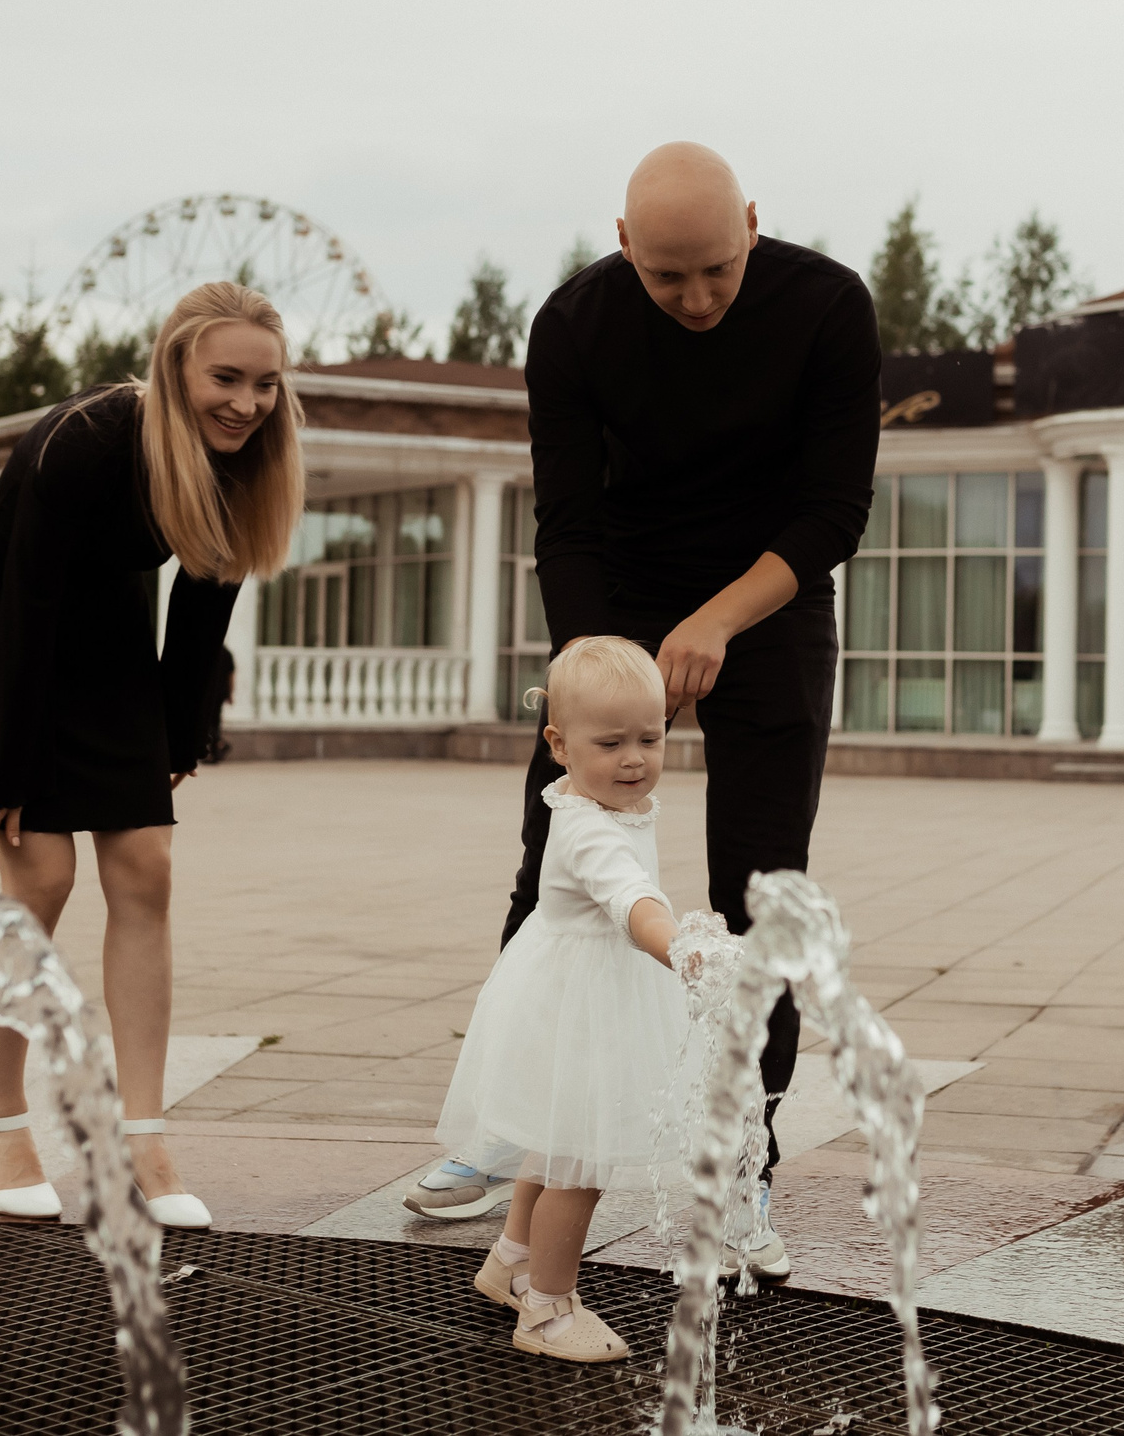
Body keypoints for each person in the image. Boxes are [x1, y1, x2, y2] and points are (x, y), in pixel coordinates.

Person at [405, 143, 881, 1286]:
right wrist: (596, 665)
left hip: (764, 594)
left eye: (717, 269)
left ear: (753, 225)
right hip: (615, 595)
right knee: (558, 866)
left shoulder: (825, 306)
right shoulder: (573, 323)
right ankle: (514, 1126)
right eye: (670, 279)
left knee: (759, 886)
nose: (698, 299)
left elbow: (833, 509)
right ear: (625, 247)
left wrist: (720, 618)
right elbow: (564, 517)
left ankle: (741, 1159)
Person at [0, 281, 303, 1229]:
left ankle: (144, 1137)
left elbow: (202, 611)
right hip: (8, 647)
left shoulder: (243, 455)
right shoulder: (78, 443)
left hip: (114, 657)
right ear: (174, 363)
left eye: (264, 384)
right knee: (40, 878)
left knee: (145, 867)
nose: (246, 403)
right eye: (225, 377)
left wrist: (176, 742)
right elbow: (25, 607)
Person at [435, 636, 696, 1363]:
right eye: (610, 742)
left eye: (652, 737)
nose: (636, 758)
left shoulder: (605, 797)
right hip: (586, 998)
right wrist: (677, 945)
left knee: (554, 1141)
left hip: (576, 992)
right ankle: (548, 1308)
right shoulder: (585, 824)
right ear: (558, 743)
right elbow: (628, 893)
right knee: (581, 1165)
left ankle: (513, 1261)